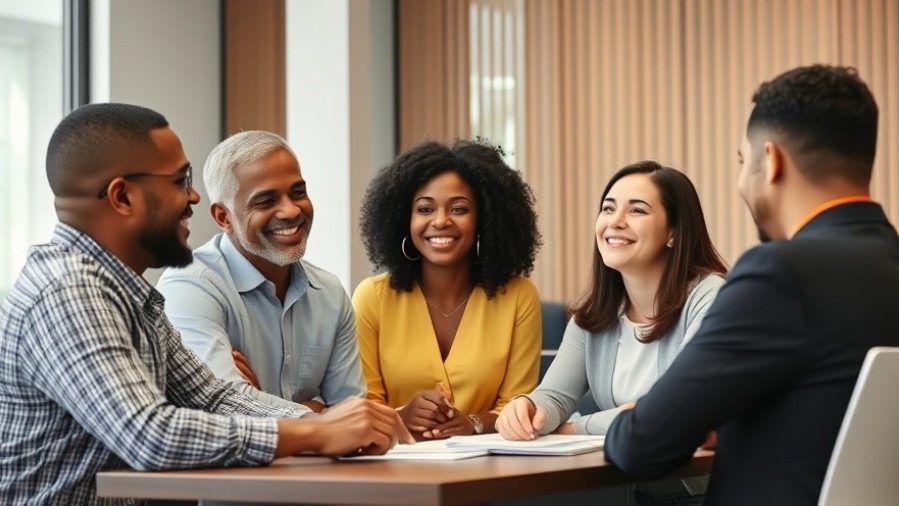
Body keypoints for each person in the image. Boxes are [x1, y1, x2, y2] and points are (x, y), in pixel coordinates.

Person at [0, 103, 409, 504]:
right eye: (179, 181)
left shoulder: (129, 292)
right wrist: (317, 432)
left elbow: (213, 398)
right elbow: (150, 436)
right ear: (122, 197)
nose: (193, 196)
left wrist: (330, 421)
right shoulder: (67, 291)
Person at [603, 65, 899, 505]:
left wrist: (639, 419)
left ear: (772, 160)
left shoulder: (779, 274)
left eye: (744, 162)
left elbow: (643, 446)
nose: (742, 180)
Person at [497, 161, 727, 505]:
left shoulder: (709, 297)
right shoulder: (596, 313)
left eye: (637, 210)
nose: (615, 221)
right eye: (608, 208)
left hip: (699, 493)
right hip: (624, 488)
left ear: (673, 232)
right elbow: (555, 397)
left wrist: (575, 428)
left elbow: (669, 412)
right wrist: (528, 409)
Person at [156, 130, 365, 413]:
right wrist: (315, 413)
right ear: (224, 217)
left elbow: (354, 413)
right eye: (265, 201)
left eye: (298, 193)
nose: (291, 211)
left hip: (316, 459)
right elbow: (221, 406)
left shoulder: (329, 293)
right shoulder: (189, 286)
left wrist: (258, 402)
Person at [353, 139, 543, 439]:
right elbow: (363, 403)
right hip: (393, 468)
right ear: (405, 219)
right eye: (425, 209)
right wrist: (402, 414)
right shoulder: (372, 298)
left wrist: (473, 422)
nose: (441, 221)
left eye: (459, 208)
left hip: (488, 469)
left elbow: (517, 405)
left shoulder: (519, 297)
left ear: (485, 218)